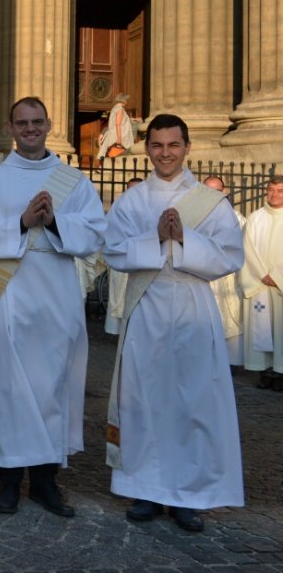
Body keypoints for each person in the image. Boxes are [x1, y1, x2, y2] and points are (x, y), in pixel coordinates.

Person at [0, 96, 105, 517]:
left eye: (37, 121)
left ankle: (44, 482)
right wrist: (21, 222)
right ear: (11, 127)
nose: (31, 129)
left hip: (56, 293)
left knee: (51, 387)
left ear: (48, 123)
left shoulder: (73, 180)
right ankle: (7, 480)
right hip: (9, 296)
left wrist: (55, 220)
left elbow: (95, 232)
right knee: (8, 388)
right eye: (22, 122)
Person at [103, 114, 244, 532]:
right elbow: (113, 250)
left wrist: (185, 238)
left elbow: (230, 256)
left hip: (192, 307)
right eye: (158, 146)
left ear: (187, 147)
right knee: (144, 399)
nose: (166, 153)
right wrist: (154, 239)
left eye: (174, 145)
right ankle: (145, 491)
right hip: (146, 307)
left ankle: (187, 495)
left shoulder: (211, 201)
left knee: (192, 400)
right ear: (147, 149)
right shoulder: (132, 201)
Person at [239, 175, 283, 388]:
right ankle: (265, 373)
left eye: (280, 190)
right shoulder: (255, 218)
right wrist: (262, 274)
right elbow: (246, 248)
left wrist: (277, 276)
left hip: (279, 285)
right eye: (271, 190)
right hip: (259, 284)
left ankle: (281, 374)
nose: (274, 194)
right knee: (262, 329)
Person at [202, 176, 246, 364]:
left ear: (224, 191)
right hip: (204, 274)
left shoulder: (237, 218)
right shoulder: (196, 216)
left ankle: (230, 360)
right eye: (207, 190)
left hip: (228, 276)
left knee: (230, 316)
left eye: (216, 190)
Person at [105, 176, 144, 335]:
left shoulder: (151, 206)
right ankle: (120, 330)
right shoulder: (118, 207)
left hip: (142, 258)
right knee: (120, 294)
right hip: (122, 256)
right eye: (130, 189)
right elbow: (109, 230)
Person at [97, 93, 136, 160]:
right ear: (124, 100)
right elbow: (118, 124)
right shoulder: (120, 109)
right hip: (118, 135)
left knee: (110, 154)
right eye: (126, 100)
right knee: (119, 154)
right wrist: (119, 137)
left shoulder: (115, 108)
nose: (127, 102)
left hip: (113, 133)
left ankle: (102, 167)